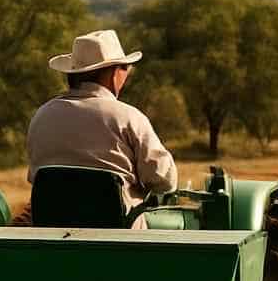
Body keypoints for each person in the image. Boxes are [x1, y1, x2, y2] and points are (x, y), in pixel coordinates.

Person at [27, 29, 178, 227]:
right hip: (120, 242)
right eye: (125, 68)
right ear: (113, 73)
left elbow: (36, 178)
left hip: (54, 239)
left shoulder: (42, 116)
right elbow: (163, 180)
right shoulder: (128, 117)